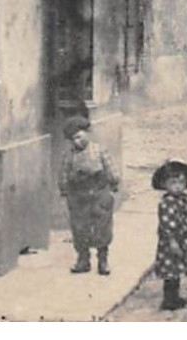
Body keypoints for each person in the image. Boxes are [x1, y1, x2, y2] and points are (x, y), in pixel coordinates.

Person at [57, 115, 118, 275]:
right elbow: (63, 174)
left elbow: (111, 169)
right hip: (78, 196)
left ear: (87, 133)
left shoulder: (99, 150)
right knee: (80, 228)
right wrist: (64, 189)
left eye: (79, 136)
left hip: (99, 193)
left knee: (102, 227)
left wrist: (113, 182)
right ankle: (83, 260)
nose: (77, 142)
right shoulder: (68, 155)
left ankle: (103, 260)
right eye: (73, 139)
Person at [150, 159, 187, 311]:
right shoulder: (166, 203)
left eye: (181, 183)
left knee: (178, 269)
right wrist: (172, 242)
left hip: (186, 238)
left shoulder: (184, 198)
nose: (177, 187)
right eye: (173, 183)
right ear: (164, 185)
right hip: (173, 240)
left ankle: (175, 297)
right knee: (171, 270)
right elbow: (166, 226)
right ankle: (169, 300)